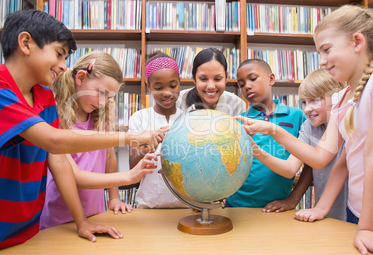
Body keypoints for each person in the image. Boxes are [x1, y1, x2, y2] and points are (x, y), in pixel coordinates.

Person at [236, 5, 373, 255]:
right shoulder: (342, 98)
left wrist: (367, 229)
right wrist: (321, 208)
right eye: (318, 52)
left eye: (326, 50)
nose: (322, 61)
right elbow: (327, 159)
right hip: (356, 215)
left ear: (357, 41)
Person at [0, 9, 160, 249]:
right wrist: (130, 138)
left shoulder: (44, 98)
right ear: (25, 43)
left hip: (29, 227)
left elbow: (59, 161)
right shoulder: (3, 92)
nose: (64, 66)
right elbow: (54, 141)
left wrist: (82, 222)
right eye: (59, 54)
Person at [39, 51, 156, 229]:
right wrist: (129, 176)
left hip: (96, 213)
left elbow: (109, 157)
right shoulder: (56, 117)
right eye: (101, 92)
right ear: (80, 78)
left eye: (109, 97)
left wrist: (114, 197)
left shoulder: (102, 115)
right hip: (59, 219)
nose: (103, 102)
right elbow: (74, 177)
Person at [253, 68, 348, 221]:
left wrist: (273, 130)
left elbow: (323, 161)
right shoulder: (309, 127)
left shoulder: (348, 123)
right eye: (304, 102)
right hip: (327, 215)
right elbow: (290, 169)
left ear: (336, 96)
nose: (307, 109)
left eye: (314, 100)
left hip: (355, 213)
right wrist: (254, 149)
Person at [226, 59, 306, 208]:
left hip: (278, 209)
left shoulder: (297, 116)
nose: (247, 86)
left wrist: (293, 199)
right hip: (236, 207)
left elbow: (311, 163)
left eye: (253, 78)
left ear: (271, 79)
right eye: (241, 84)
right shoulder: (238, 122)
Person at [128, 52, 187, 208]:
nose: (167, 92)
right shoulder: (139, 118)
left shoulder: (189, 119)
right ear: (148, 87)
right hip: (148, 205)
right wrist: (149, 146)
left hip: (185, 206)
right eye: (158, 87)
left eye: (173, 86)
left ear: (180, 83)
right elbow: (132, 167)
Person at [176, 47, 246, 116]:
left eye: (218, 79)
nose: (211, 86)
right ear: (194, 78)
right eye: (203, 79)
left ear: (226, 77)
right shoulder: (178, 102)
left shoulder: (237, 105)